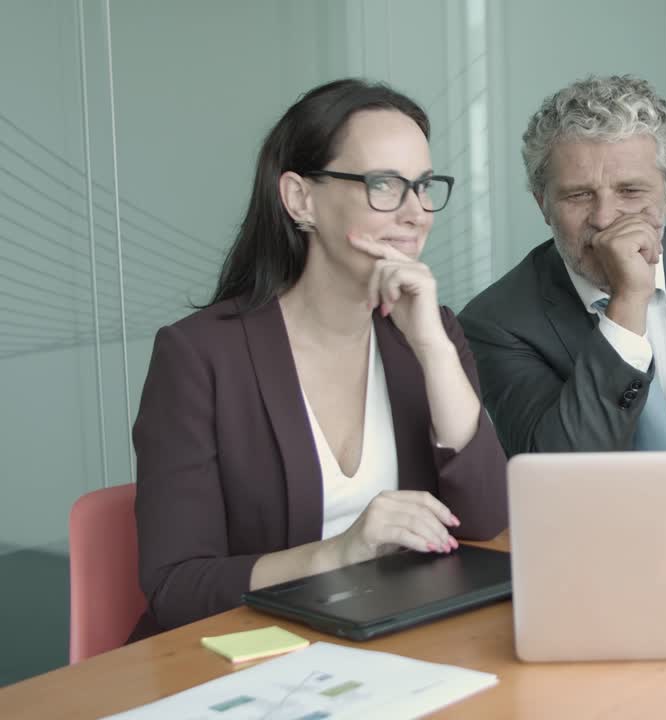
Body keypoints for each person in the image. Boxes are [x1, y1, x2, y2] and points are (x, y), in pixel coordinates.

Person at [131, 79, 507, 638]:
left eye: (425, 187)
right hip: (250, 659)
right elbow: (176, 589)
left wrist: (432, 348)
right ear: (300, 199)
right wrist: (339, 553)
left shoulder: (431, 331)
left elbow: (486, 520)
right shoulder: (199, 356)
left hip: (398, 642)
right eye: (385, 184)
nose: (416, 213)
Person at [459, 75, 666, 454]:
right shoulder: (496, 323)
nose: (604, 218)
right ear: (542, 204)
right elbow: (562, 474)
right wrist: (628, 304)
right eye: (579, 195)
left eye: (630, 191)